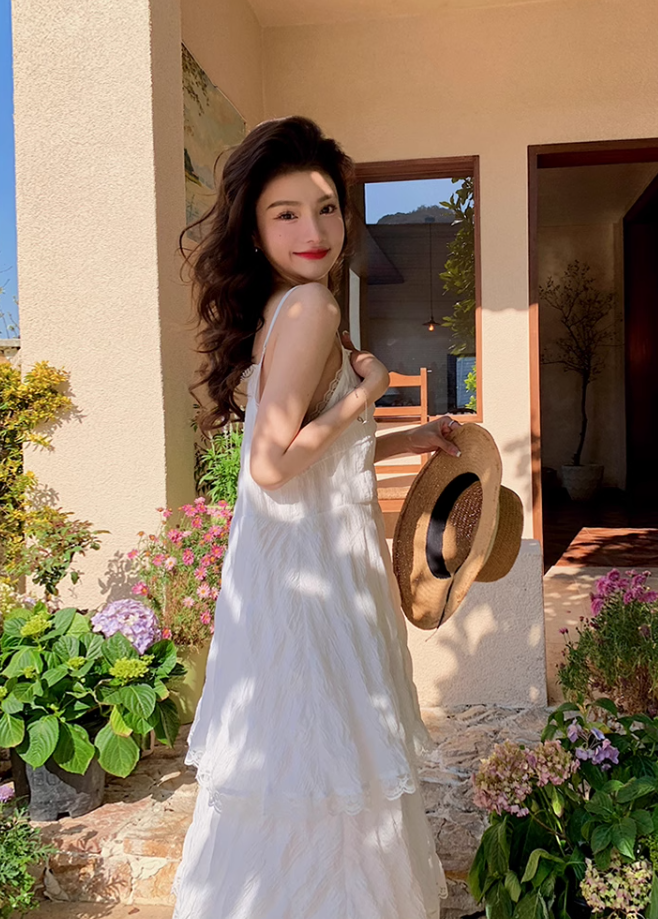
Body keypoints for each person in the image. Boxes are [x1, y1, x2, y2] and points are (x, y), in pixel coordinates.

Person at [172, 115, 458, 919]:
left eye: (326, 208)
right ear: (255, 228)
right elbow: (273, 463)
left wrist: (404, 434)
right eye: (287, 213)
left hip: (287, 574)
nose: (314, 230)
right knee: (336, 768)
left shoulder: (282, 307)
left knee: (301, 772)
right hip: (315, 579)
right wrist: (370, 393)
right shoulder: (311, 307)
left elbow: (316, 450)